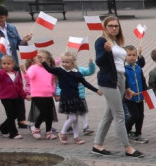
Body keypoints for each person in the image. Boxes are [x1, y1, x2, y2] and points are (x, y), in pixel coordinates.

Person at [92, 15, 144, 158]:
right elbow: (99, 62)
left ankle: (97, 145)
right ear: (105, 27)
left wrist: (126, 86)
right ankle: (127, 147)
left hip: (120, 79)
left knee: (109, 114)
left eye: (116, 26)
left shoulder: (116, 42)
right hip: (109, 81)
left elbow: (121, 66)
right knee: (119, 115)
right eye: (111, 26)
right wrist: (107, 52)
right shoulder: (102, 41)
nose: (114, 28)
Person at [47, 51, 100, 144]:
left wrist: (96, 90)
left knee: (75, 118)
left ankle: (76, 137)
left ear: (72, 63)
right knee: (72, 118)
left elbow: (85, 83)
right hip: (66, 98)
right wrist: (44, 62)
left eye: (67, 62)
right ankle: (62, 132)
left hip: (75, 98)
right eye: (63, 62)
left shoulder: (77, 73)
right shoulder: (60, 71)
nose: (64, 64)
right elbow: (49, 70)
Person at [23, 50, 58, 140]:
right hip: (37, 95)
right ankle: (36, 128)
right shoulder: (33, 68)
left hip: (48, 95)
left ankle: (48, 132)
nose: (39, 59)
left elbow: (52, 82)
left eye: (42, 58)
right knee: (43, 112)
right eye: (38, 58)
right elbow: (28, 77)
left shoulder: (49, 69)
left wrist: (54, 92)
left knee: (49, 114)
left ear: (48, 61)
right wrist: (24, 71)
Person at [0, 56, 26, 138]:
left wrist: (23, 95)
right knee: (10, 115)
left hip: (15, 97)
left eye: (8, 64)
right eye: (4, 64)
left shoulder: (16, 73)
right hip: (6, 98)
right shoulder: (2, 73)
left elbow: (20, 86)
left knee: (15, 114)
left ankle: (3, 128)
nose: (6, 65)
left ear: (13, 64)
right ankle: (13, 133)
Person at [124, 46, 148, 143]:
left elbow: (143, 80)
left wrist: (146, 92)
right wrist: (128, 90)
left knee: (141, 116)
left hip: (139, 95)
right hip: (129, 97)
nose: (132, 57)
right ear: (124, 56)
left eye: (134, 55)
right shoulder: (124, 69)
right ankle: (125, 132)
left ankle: (138, 134)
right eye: (129, 55)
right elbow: (124, 82)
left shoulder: (138, 68)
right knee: (134, 115)